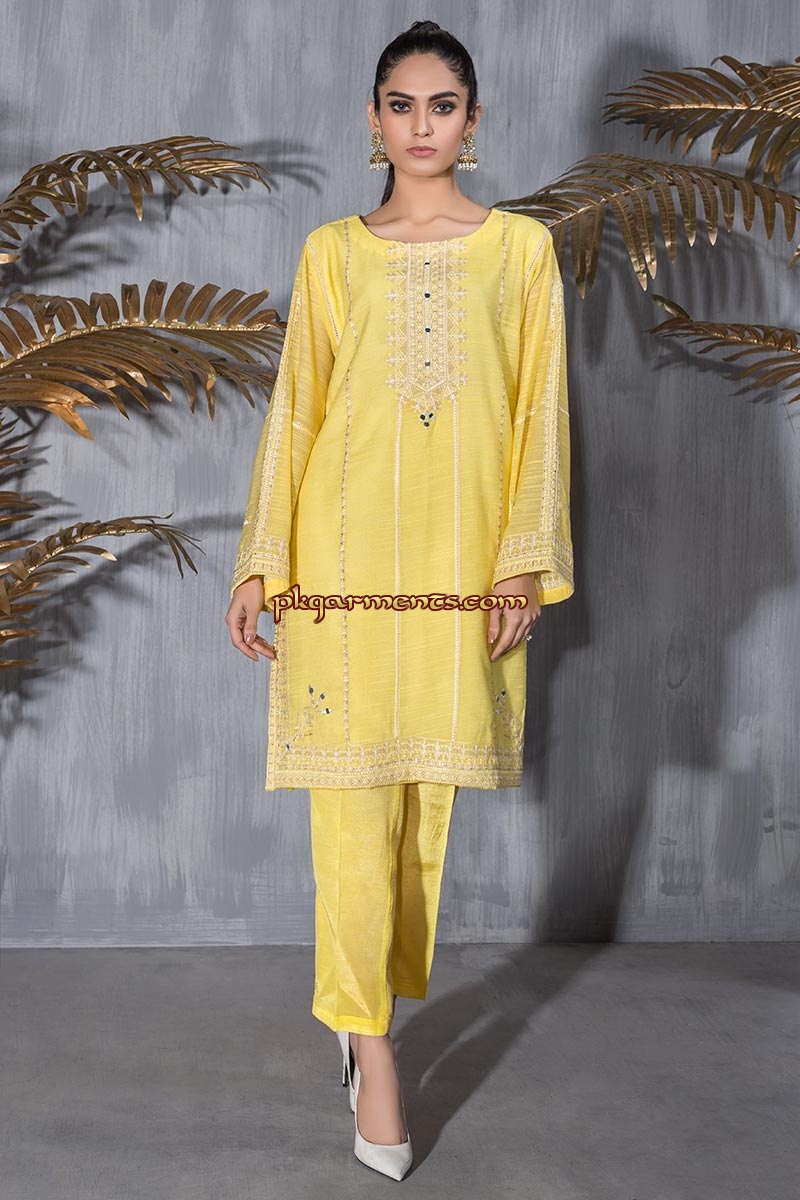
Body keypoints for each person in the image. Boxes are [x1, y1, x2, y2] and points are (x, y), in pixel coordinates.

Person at [225, 18, 574, 1181]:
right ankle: (369, 1048)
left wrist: (522, 557)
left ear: (472, 123)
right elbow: (297, 409)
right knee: (348, 813)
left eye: (441, 105)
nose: (420, 125)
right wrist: (261, 561)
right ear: (372, 122)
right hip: (341, 563)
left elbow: (538, 412)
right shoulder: (332, 252)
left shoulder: (519, 251)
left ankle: (361, 1002)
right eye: (400, 104)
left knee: (422, 810)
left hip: (460, 568)